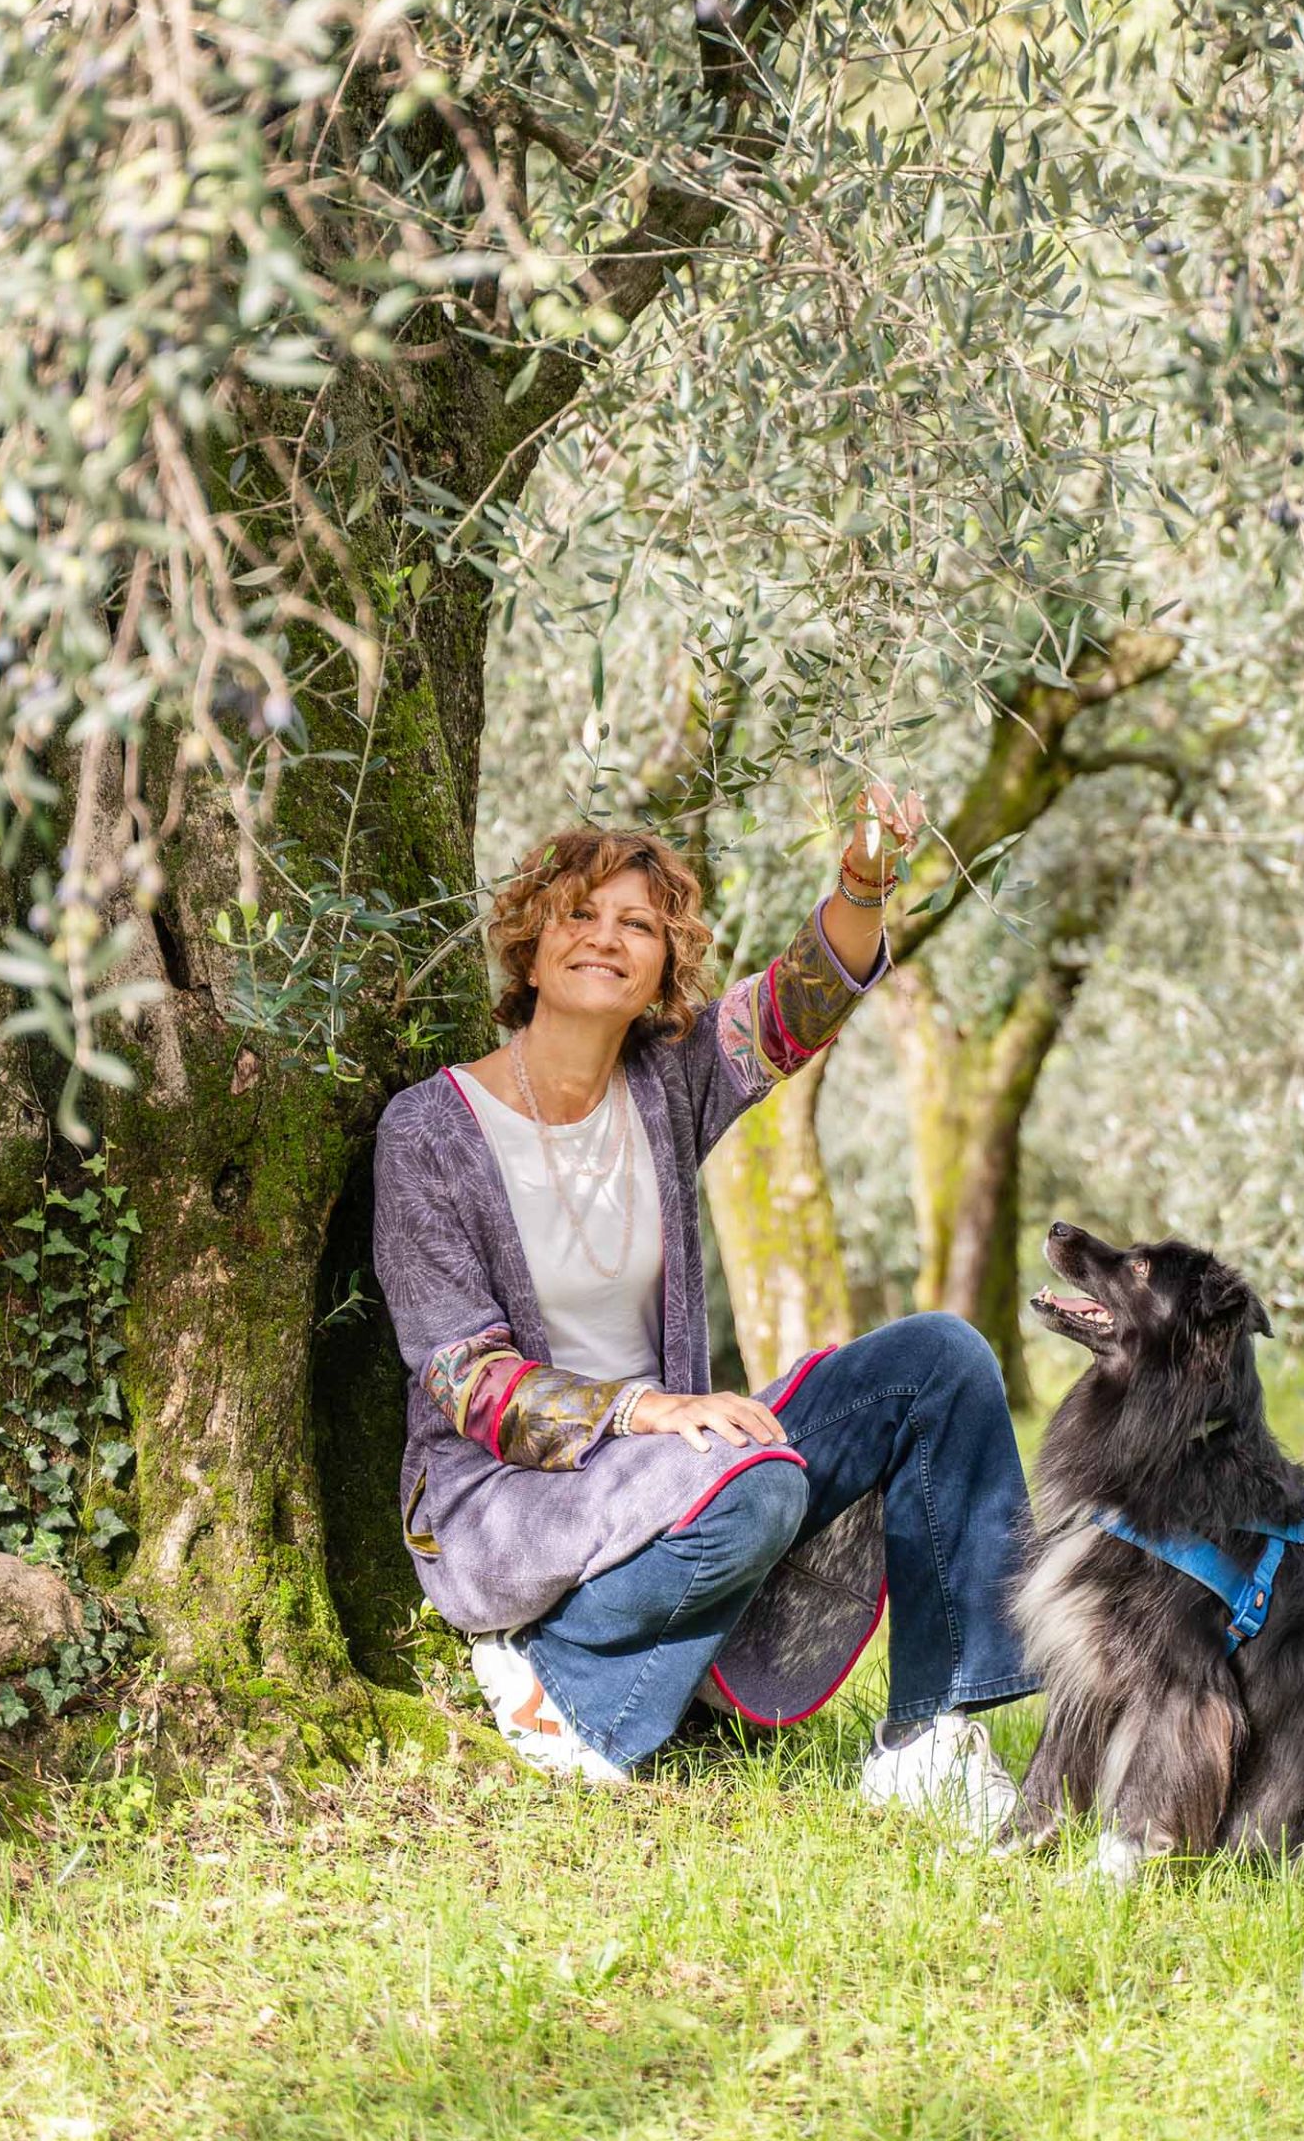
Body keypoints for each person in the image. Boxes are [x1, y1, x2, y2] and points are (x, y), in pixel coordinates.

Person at [371, 783, 1034, 1832]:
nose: (606, 938)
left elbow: (798, 1005)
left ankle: (931, 1736)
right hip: (510, 1498)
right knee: (752, 1488)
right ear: (529, 949)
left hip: (684, 1469)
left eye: (637, 925)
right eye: (579, 914)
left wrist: (865, 877)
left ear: (663, 968)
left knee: (940, 1363)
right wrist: (649, 1413)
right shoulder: (429, 1131)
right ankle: (556, 1668)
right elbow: (462, 1375)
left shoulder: (667, 1081)